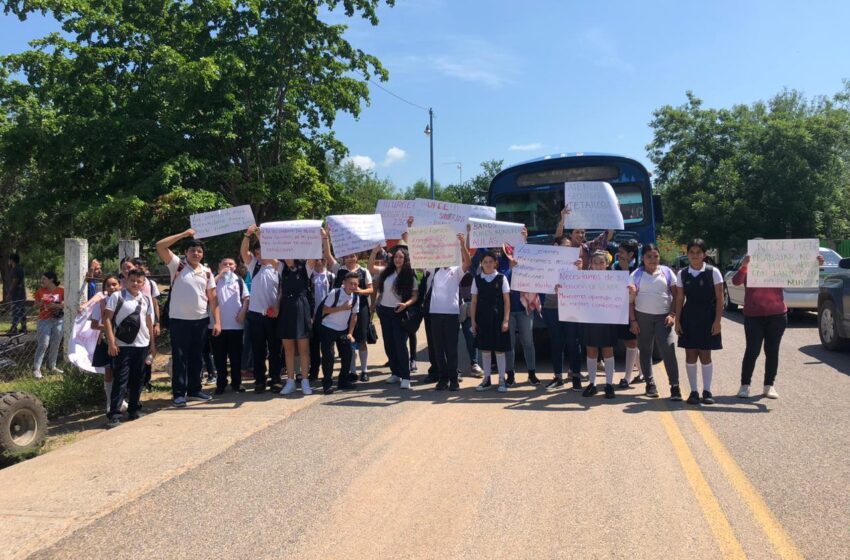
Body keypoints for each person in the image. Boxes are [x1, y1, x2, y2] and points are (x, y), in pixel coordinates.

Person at [733, 252, 824, 399]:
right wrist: (743, 266)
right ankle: (745, 385)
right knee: (752, 350)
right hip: (753, 316)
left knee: (772, 351)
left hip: (776, 315)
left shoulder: (778, 269)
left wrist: (814, 265)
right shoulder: (748, 269)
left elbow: (799, 276)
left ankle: (769, 385)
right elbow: (736, 281)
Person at [156, 229, 220, 407]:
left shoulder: (207, 272)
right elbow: (160, 246)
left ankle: (194, 390)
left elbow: (213, 298)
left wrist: (217, 321)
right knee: (180, 357)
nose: (196, 253)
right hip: (179, 320)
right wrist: (183, 234)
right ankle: (178, 394)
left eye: (199, 251)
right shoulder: (177, 265)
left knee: (197, 357)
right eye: (192, 250)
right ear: (186, 252)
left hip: (200, 320)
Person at [102, 268, 156, 428]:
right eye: (132, 280)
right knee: (121, 379)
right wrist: (112, 342)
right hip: (122, 346)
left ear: (143, 282)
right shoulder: (117, 297)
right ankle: (114, 414)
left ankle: (134, 409)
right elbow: (107, 320)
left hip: (142, 345)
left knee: (138, 379)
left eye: (139, 281)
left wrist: (152, 345)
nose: (135, 284)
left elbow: (149, 323)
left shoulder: (146, 299)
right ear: (126, 280)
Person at [628, 243, 681, 400]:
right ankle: (650, 384)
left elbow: (677, 296)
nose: (652, 259)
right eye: (649, 256)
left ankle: (675, 386)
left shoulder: (667, 272)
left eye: (656, 256)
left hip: (663, 318)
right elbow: (630, 301)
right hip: (642, 317)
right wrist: (633, 321)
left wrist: (672, 314)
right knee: (645, 350)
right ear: (642, 258)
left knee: (668, 349)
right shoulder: (635, 275)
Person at [421, 228, 471, 391]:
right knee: (438, 348)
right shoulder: (433, 269)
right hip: (435, 314)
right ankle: (443, 379)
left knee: (451, 348)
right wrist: (412, 230)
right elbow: (417, 255)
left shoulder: (456, 270)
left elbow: (468, 262)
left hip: (451, 314)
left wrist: (462, 244)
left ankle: (453, 379)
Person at [675, 239, 724, 405]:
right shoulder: (682, 274)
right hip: (689, 317)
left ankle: (707, 391)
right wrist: (677, 320)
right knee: (690, 355)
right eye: (691, 252)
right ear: (687, 254)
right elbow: (680, 298)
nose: (695, 256)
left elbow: (720, 299)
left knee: (705, 354)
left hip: (708, 317)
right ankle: (694, 391)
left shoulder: (713, 272)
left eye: (698, 252)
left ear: (704, 254)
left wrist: (717, 321)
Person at [322, 231, 375, 382]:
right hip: (341, 311)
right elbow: (327, 255)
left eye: (352, 255)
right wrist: (326, 237)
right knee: (348, 340)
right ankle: (351, 370)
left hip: (360, 307)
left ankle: (364, 370)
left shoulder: (364, 271)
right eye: (347, 256)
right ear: (343, 257)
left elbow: (371, 289)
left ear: (356, 256)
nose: (350, 258)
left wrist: (360, 290)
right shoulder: (339, 269)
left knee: (361, 339)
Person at [240, 225, 283, 393]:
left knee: (275, 349)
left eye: (263, 252)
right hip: (255, 315)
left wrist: (277, 306)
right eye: (257, 253)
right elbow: (244, 252)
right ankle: (260, 380)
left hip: (273, 315)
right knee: (258, 350)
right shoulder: (254, 266)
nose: (260, 256)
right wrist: (248, 235)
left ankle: (276, 379)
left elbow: (281, 291)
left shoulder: (278, 267)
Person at [539, 237, 584, 391]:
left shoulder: (577, 263)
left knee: (572, 342)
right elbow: (533, 276)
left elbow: (585, 284)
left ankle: (576, 376)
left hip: (570, 306)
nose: (566, 249)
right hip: (551, 307)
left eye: (568, 246)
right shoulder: (546, 263)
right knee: (556, 342)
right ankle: (558, 377)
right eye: (562, 246)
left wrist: (580, 269)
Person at [373, 245, 418, 390]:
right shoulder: (387, 272)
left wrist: (406, 304)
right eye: (396, 257)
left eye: (401, 257)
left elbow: (415, 296)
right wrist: (375, 251)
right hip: (384, 312)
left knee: (400, 345)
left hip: (398, 312)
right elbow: (370, 269)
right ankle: (395, 372)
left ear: (405, 260)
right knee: (389, 344)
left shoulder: (410, 275)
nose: (398, 259)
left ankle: (405, 376)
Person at [575, 251, 620, 399]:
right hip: (590, 318)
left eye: (602, 262)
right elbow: (574, 291)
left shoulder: (616, 279)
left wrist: (629, 291)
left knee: (608, 350)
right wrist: (561, 289)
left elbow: (621, 296)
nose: (599, 265)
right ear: (591, 265)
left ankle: (609, 384)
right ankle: (592, 384)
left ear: (607, 264)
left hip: (607, 319)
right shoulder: (584, 279)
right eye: (595, 263)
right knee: (591, 351)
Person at [471, 251, 512, 392]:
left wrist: (506, 320)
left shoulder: (502, 278)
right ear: (481, 264)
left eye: (491, 261)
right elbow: (474, 302)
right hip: (483, 319)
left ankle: (502, 380)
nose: (488, 264)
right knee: (486, 350)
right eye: (485, 262)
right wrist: (473, 321)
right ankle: (486, 379)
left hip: (499, 319)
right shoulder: (476, 279)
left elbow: (507, 301)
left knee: (500, 351)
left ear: (495, 263)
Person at [319, 272, 362, 394]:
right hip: (327, 328)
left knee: (347, 355)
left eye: (355, 284)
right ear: (344, 283)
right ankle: (327, 384)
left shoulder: (355, 297)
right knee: (328, 357)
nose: (353, 286)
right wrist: (341, 308)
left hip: (343, 330)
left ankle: (343, 381)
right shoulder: (335, 293)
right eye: (351, 283)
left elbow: (354, 316)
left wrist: (350, 333)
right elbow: (325, 309)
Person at [212, 257, 250, 395]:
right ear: (219, 266)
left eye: (230, 264)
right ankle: (221, 383)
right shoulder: (215, 280)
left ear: (235, 266)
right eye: (224, 264)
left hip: (236, 326)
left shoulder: (238, 280)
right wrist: (219, 275)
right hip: (218, 325)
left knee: (236, 357)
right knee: (219, 357)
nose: (228, 266)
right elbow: (207, 291)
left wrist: (242, 313)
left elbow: (246, 298)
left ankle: (236, 383)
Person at [277, 258, 314, 395]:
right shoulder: (281, 268)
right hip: (286, 308)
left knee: (303, 349)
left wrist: (324, 239)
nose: (287, 256)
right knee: (288, 349)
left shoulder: (305, 267)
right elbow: (268, 254)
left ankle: (305, 381)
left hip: (301, 307)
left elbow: (314, 254)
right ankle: (290, 382)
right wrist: (257, 235)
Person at [89, 274, 125, 414]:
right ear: (104, 288)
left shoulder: (125, 300)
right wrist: (108, 328)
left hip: (125, 340)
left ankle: (122, 400)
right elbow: (93, 325)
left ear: (120, 285)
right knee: (109, 371)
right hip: (107, 341)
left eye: (114, 284)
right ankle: (111, 402)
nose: (112, 287)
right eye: (108, 285)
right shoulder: (102, 303)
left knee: (122, 371)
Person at [614, 240, 644, 384]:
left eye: (622, 253)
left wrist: (626, 269)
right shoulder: (615, 267)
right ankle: (643, 372)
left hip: (636, 310)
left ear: (631, 254)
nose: (618, 255)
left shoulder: (639, 269)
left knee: (632, 342)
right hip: (620, 309)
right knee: (629, 342)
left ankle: (627, 376)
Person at [308, 258, 335, 382]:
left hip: (327, 317)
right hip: (313, 317)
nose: (319, 261)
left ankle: (327, 374)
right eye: (316, 259)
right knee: (313, 347)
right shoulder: (309, 276)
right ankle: (314, 372)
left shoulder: (331, 276)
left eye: (321, 259)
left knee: (327, 348)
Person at [32, 271, 64, 378]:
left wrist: (55, 306)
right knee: (44, 344)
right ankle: (36, 369)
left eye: (44, 279)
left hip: (58, 320)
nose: (42, 281)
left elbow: (65, 304)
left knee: (56, 343)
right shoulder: (40, 291)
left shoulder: (61, 291)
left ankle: (52, 367)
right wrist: (41, 303)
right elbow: (35, 305)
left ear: (51, 280)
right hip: (44, 320)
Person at [6, 253, 27, 335]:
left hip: (17, 294)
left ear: (12, 260)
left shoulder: (15, 269)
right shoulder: (20, 268)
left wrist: (9, 293)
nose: (8, 261)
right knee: (22, 311)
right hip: (22, 293)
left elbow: (15, 281)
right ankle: (24, 328)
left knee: (16, 310)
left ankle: (14, 328)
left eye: (9, 259)